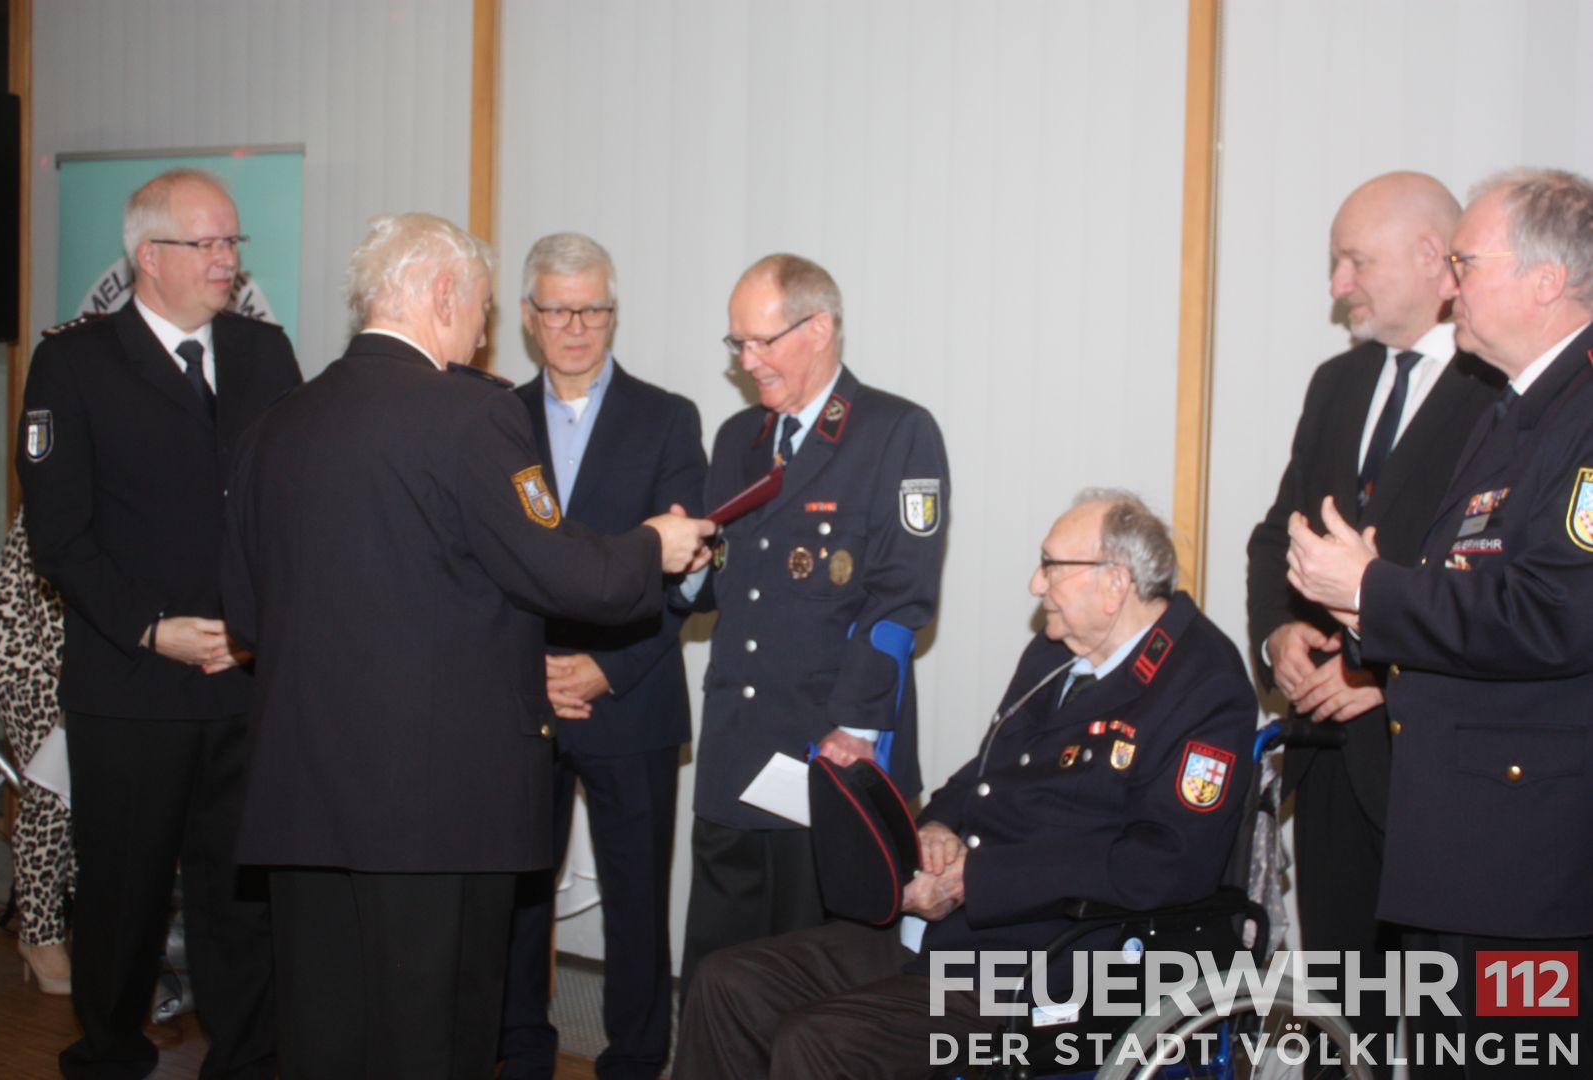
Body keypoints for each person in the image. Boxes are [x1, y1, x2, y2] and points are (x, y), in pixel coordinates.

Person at [220, 212, 713, 1080]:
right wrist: (653, 546)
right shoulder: (473, 416)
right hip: (435, 809)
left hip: (303, 798)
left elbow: (248, 622)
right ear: (443, 294)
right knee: (430, 1037)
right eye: (484, 309)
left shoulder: (277, 424)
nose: (484, 333)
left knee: (322, 1034)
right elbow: (561, 570)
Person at [674, 491, 1258, 1079]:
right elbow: (987, 772)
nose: (1035, 584)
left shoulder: (1201, 684)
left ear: (1115, 584)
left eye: (1052, 566)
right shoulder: (1055, 652)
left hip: (1055, 965)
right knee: (728, 982)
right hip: (951, 932)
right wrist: (935, 827)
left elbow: (1163, 865)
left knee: (822, 1040)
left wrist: (975, 880)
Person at [1287, 167, 1593, 1078]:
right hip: (1464, 848)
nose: (1450, 287)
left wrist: (1372, 591)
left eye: (1467, 263)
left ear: (1546, 279)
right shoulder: (1515, 407)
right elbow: (1467, 585)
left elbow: (1557, 613)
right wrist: (1360, 604)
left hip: (1530, 862)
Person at [17, 168, 301, 1079]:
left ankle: (246, 1058)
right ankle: (108, 1053)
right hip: (131, 685)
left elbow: (291, 505)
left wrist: (255, 625)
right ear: (149, 256)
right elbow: (61, 538)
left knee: (241, 895)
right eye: (207, 244)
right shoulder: (74, 363)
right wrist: (152, 629)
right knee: (123, 894)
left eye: (232, 243)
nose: (227, 261)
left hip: (243, 679)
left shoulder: (265, 353)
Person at [1245, 172, 1502, 1071]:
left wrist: (1384, 671)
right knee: (1340, 1019)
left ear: (1434, 257)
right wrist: (1279, 636)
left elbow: (1497, 583)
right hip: (1329, 758)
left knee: (1446, 1024)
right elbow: (1277, 535)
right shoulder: (1338, 382)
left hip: (1435, 762)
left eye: (1355, 261)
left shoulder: (1500, 388)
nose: (1337, 285)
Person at [678, 253, 950, 995]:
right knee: (716, 979)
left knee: (814, 992)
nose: (746, 361)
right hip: (736, 757)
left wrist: (855, 732)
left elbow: (900, 599)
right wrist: (686, 568)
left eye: (761, 341)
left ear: (820, 328)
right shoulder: (738, 438)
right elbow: (720, 587)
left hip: (828, 755)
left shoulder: (895, 432)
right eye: (737, 344)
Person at [498, 233, 707, 1080]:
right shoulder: (494, 420)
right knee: (516, 894)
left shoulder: (669, 418)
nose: (576, 327)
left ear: (613, 314)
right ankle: (520, 1050)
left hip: (633, 694)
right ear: (528, 316)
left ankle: (636, 1058)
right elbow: (480, 565)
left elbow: (690, 574)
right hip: (520, 699)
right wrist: (531, 669)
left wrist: (606, 668)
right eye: (558, 310)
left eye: (592, 309)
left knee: (637, 898)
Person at [0, 509, 72, 994]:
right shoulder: (63, 487)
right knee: (48, 796)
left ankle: (87, 924)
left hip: (94, 646)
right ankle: (39, 936)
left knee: (93, 798)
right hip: (27, 650)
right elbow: (49, 579)